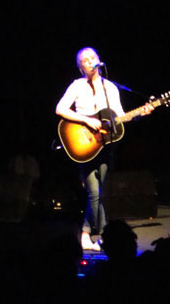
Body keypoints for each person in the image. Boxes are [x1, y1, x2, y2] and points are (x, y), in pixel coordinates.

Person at [56, 47, 152, 251]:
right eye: (85, 60)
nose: (90, 61)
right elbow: (60, 109)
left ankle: (90, 233)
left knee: (101, 192)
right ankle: (95, 234)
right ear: (80, 67)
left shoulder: (110, 88)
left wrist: (140, 114)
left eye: (93, 58)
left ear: (99, 60)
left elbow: (119, 116)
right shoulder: (77, 86)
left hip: (106, 145)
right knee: (93, 191)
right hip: (84, 143)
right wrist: (86, 120)